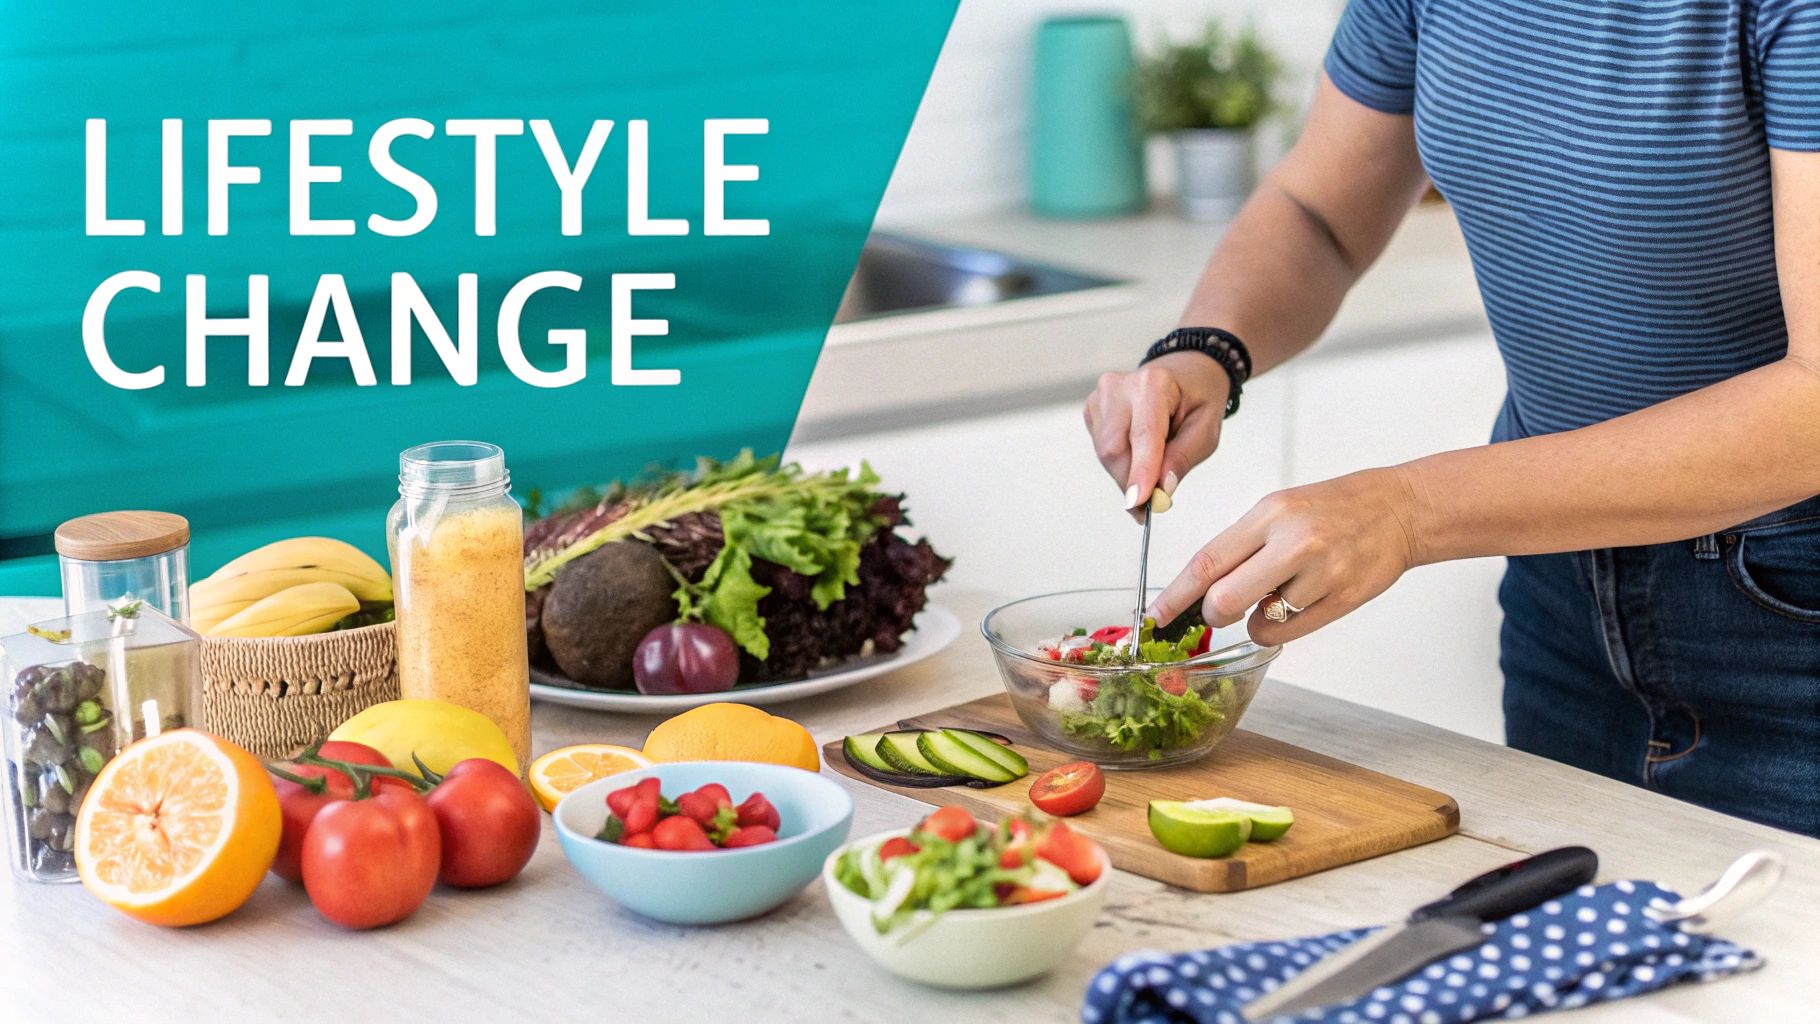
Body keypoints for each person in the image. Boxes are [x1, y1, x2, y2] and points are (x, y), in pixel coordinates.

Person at [1083, 0, 1820, 837]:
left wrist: (1409, 512)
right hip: (1560, 593)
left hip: (1793, 615)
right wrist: (1206, 349)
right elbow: (1318, 209)